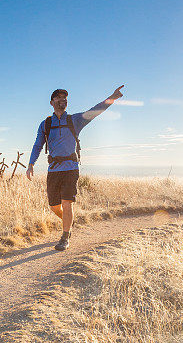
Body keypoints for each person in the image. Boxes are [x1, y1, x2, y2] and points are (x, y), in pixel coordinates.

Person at [26, 85, 124, 250]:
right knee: (53, 206)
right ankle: (68, 223)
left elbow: (96, 110)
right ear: (52, 102)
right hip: (54, 169)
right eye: (58, 97)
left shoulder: (75, 120)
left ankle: (65, 237)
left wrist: (112, 98)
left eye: (65, 98)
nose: (62, 100)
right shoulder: (45, 124)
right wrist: (31, 164)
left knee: (67, 203)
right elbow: (37, 145)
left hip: (71, 168)